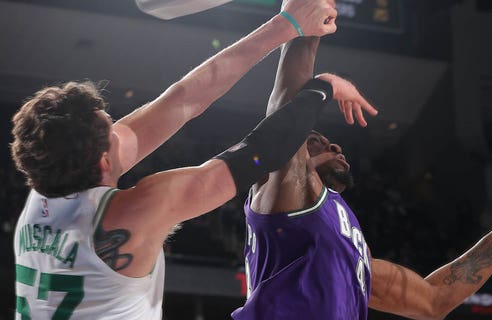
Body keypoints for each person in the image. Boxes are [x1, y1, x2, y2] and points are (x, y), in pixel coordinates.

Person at [10, 0, 380, 318]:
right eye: (114, 130)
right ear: (104, 164)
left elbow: (185, 99)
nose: (123, 129)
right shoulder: (134, 211)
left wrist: (288, 25)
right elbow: (259, 153)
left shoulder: (46, 185)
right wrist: (323, 86)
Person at [231, 35, 492, 319]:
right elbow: (286, 109)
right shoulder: (284, 193)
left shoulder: (347, 245)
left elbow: (434, 300)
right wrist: (306, 26)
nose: (333, 143)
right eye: (314, 140)